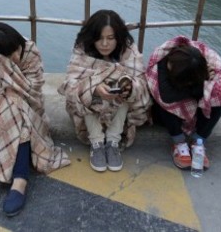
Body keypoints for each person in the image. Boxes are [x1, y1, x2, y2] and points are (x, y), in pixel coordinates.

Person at [0, 23, 70, 217]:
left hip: (28, 109)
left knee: (15, 111)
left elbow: (33, 90)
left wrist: (8, 76)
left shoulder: (30, 51)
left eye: (16, 50)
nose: (15, 56)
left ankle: (14, 180)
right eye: (8, 56)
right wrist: (1, 85)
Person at [58, 9, 152, 173]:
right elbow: (71, 84)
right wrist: (94, 89)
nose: (105, 44)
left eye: (110, 38)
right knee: (87, 88)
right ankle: (97, 142)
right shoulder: (82, 50)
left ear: (118, 37)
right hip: (91, 110)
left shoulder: (128, 50)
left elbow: (141, 84)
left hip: (119, 109)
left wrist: (127, 87)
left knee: (124, 85)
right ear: (91, 37)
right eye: (99, 38)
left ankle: (113, 141)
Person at [145, 35, 221, 170]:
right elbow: (166, 95)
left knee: (216, 98)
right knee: (163, 103)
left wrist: (201, 86)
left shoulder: (210, 60)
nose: (168, 67)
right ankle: (179, 142)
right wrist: (201, 86)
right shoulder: (164, 58)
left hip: (193, 96)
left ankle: (198, 141)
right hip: (169, 111)